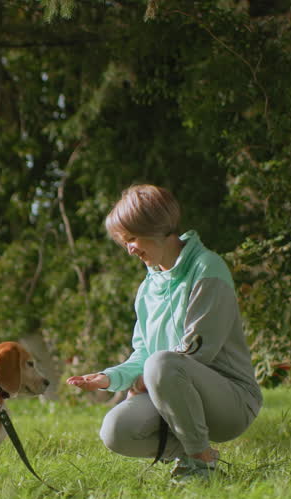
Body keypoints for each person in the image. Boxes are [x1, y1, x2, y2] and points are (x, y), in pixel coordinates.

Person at [66, 184, 262, 479]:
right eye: (124, 241)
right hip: (171, 390)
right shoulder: (147, 289)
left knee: (161, 364)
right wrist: (110, 377)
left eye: (132, 238)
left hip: (231, 400)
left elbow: (198, 352)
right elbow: (144, 353)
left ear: (156, 228)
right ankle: (201, 452)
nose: (129, 249)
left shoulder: (208, 268)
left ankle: (199, 466)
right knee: (116, 430)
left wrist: (148, 375)